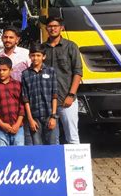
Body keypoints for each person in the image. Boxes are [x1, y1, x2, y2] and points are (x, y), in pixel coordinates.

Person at [41, 16, 83, 144]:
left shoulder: (71, 46)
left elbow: (78, 72)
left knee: (72, 137)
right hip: (47, 101)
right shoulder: (42, 48)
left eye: (55, 26)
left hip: (66, 99)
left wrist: (71, 95)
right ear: (46, 28)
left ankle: (76, 159)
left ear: (61, 28)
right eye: (50, 26)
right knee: (52, 138)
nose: (52, 29)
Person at [21, 43, 59, 145]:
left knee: (52, 145)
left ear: (44, 56)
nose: (35, 58)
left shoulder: (51, 71)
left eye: (38, 55)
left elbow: (55, 95)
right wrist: (30, 119)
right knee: (37, 147)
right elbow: (25, 99)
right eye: (33, 55)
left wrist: (53, 116)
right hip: (34, 117)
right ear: (29, 56)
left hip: (49, 115)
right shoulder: (25, 74)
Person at [0, 56, 25, 146]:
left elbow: (22, 106)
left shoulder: (18, 85)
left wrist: (17, 124)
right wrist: (2, 124)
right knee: (3, 152)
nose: (1, 73)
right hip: (1, 129)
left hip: (18, 128)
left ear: (11, 70)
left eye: (4, 70)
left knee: (19, 152)